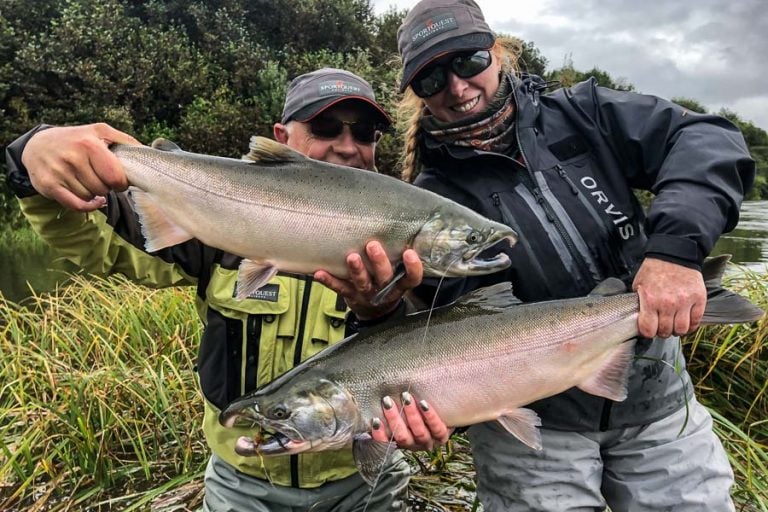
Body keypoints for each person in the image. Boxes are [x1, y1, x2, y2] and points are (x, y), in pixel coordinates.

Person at [365, 0, 754, 510]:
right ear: (416, 95)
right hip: (530, 429)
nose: (456, 89)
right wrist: (429, 395)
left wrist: (676, 253)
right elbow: (448, 323)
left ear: (497, 53)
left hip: (656, 402)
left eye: (467, 63)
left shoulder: (584, 113)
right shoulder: (428, 205)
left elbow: (706, 139)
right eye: (431, 79)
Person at [4, 67, 446, 512]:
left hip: (367, 479)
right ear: (282, 135)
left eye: (365, 132)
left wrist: (385, 315)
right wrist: (30, 158)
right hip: (243, 484)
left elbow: (451, 357)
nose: (347, 145)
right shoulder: (216, 228)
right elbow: (101, 249)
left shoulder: (411, 245)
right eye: (325, 127)